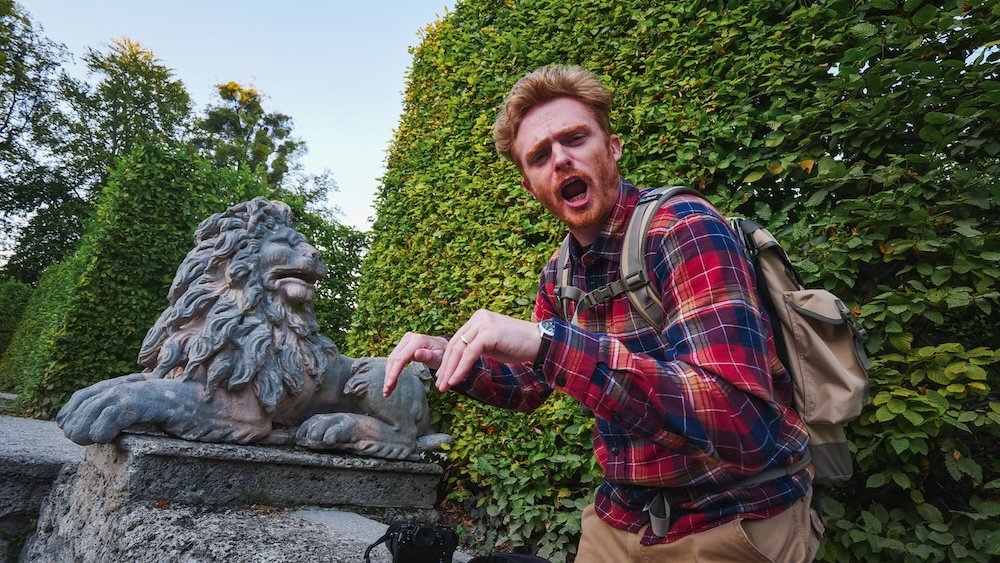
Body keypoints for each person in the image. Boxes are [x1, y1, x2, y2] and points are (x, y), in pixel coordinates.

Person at [383, 65, 821, 562]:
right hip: (621, 520)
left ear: (611, 148)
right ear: (530, 185)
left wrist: (551, 343)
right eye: (540, 156)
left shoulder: (684, 229)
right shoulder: (559, 274)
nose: (562, 160)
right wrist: (446, 356)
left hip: (734, 518)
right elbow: (529, 385)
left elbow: (739, 422)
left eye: (575, 138)